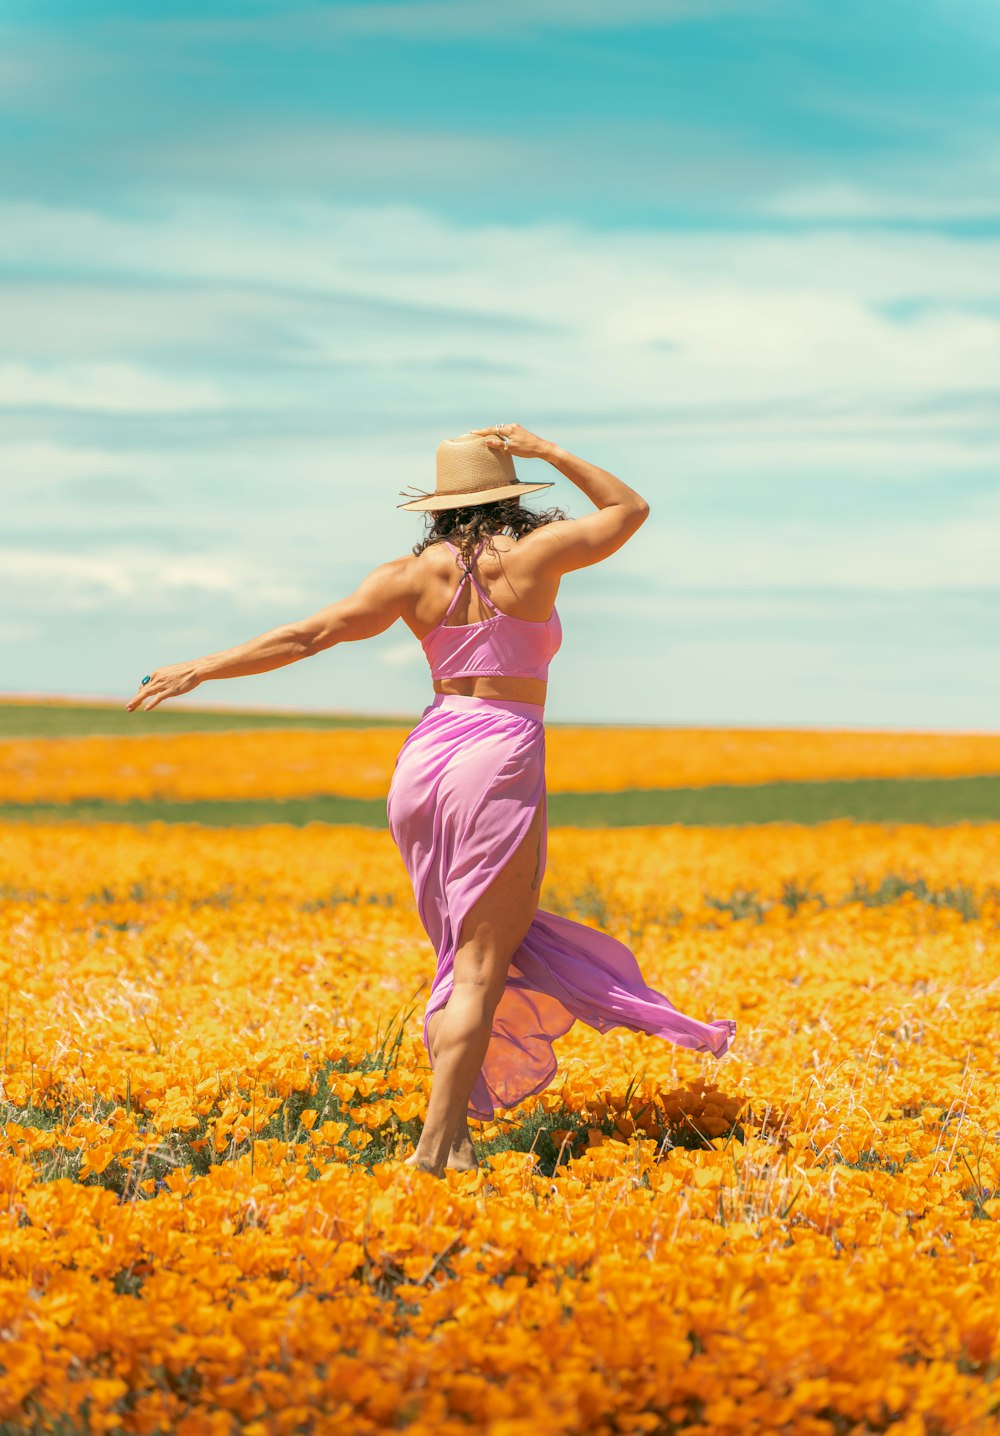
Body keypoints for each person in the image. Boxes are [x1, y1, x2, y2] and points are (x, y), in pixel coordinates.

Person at [126, 423, 736, 1178]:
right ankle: (436, 1147)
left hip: (427, 756)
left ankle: (458, 1137)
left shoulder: (406, 576)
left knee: (461, 956)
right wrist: (550, 452)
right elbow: (629, 509)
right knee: (481, 964)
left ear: (441, 507)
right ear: (510, 497)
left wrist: (202, 668)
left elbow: (306, 634)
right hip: (498, 752)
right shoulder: (535, 554)